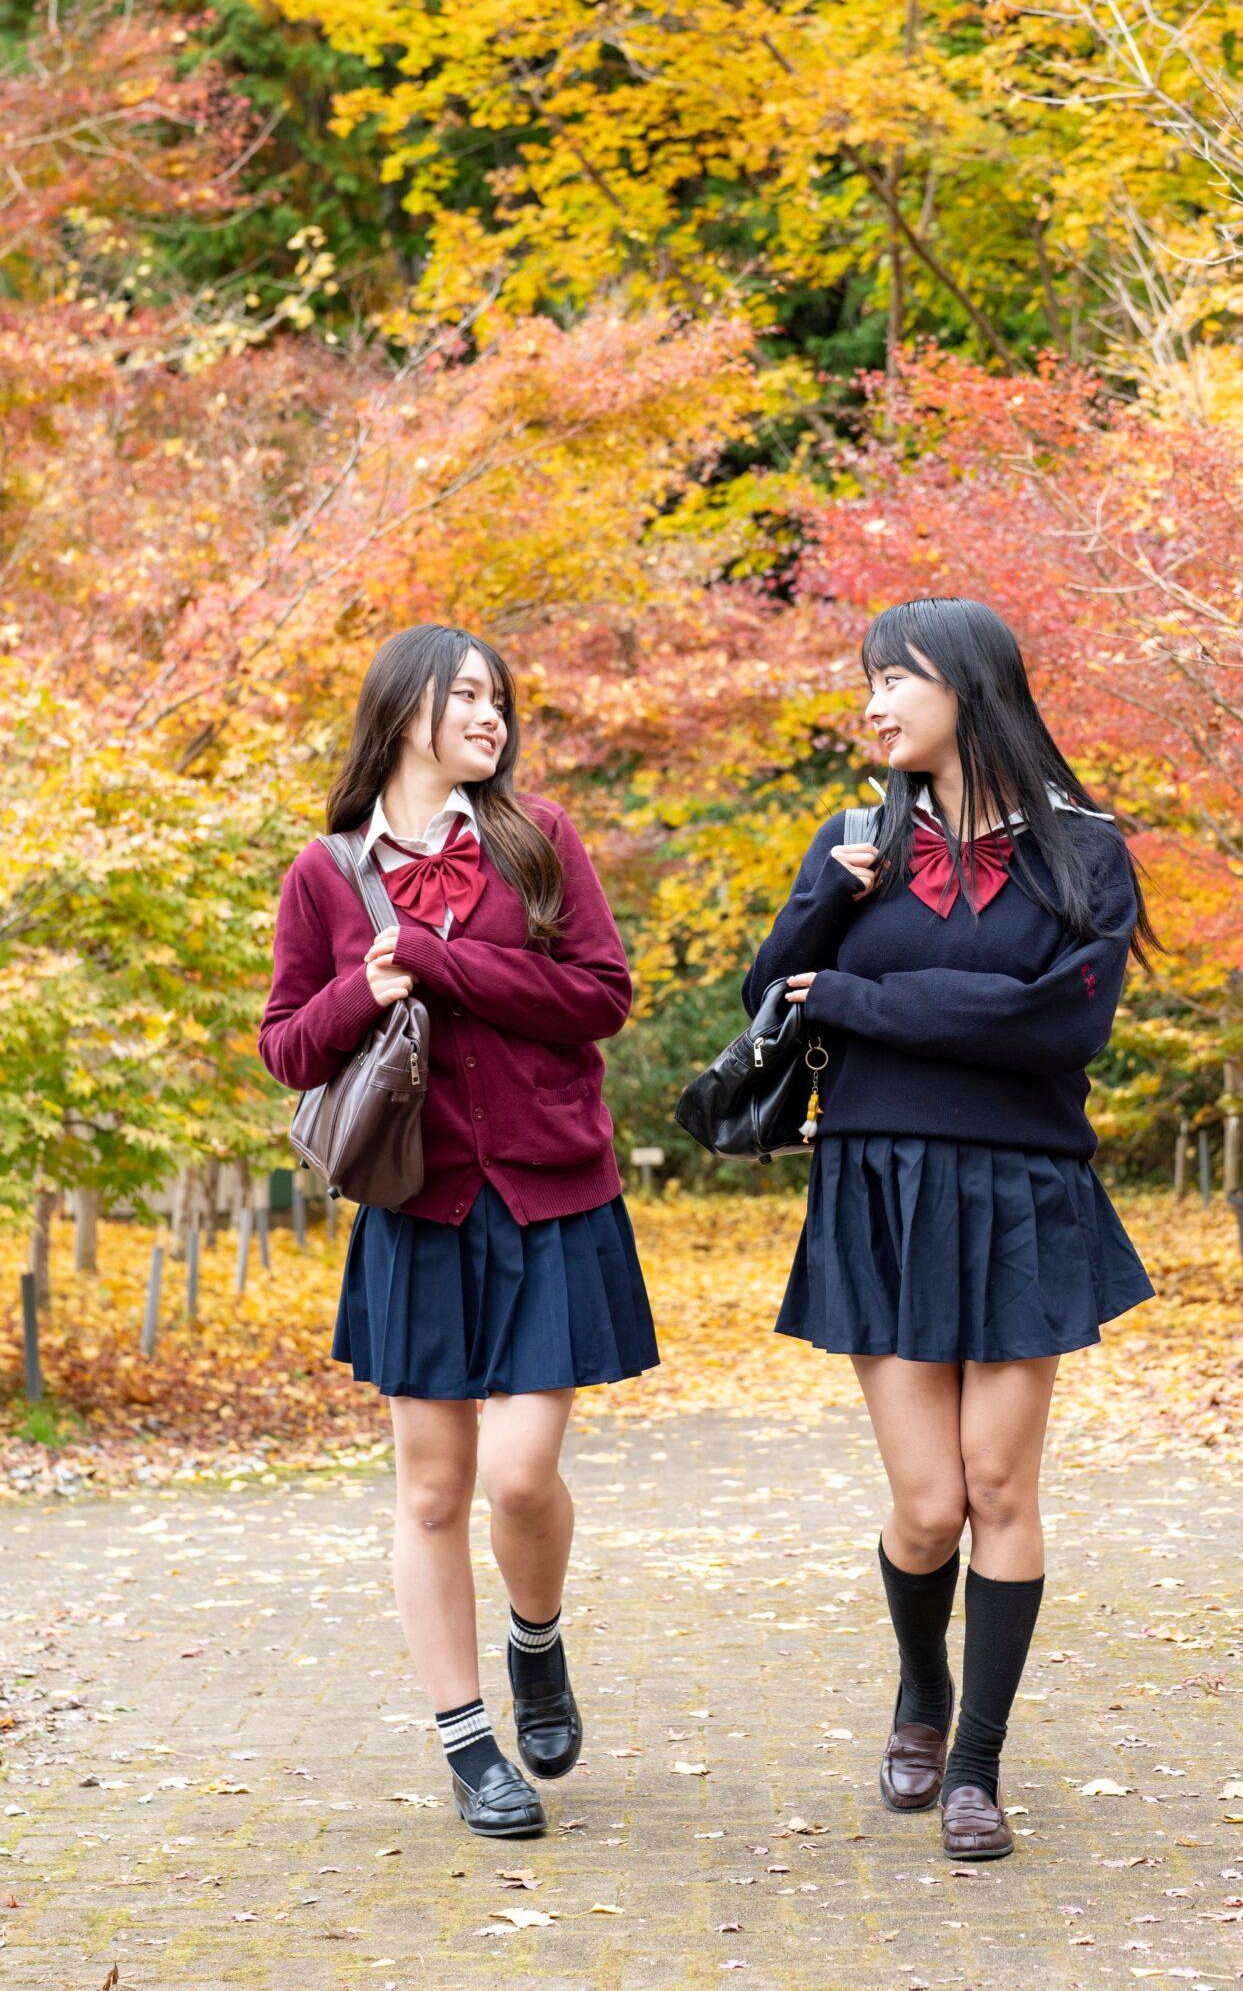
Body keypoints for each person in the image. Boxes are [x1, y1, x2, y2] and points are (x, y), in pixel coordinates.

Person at [745, 596, 1155, 1861]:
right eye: (867, 680)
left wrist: (867, 996)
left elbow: (1058, 1023)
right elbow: (773, 999)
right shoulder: (854, 840)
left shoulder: (1085, 851)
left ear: (969, 685)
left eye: (893, 678)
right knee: (928, 1505)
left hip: (1022, 1186)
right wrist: (827, 911)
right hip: (879, 1182)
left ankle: (976, 1766)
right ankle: (921, 1690)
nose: (871, 704)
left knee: (1000, 1485)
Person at [259, 624, 657, 1842]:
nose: (492, 716)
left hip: (550, 1195)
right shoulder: (326, 873)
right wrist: (361, 989)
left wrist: (446, 965)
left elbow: (602, 995)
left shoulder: (539, 840)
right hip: (419, 1212)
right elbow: (287, 1044)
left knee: (520, 1473)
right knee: (433, 1491)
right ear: (404, 712)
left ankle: (537, 1638)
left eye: (499, 698)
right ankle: (470, 1745)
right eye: (468, 695)